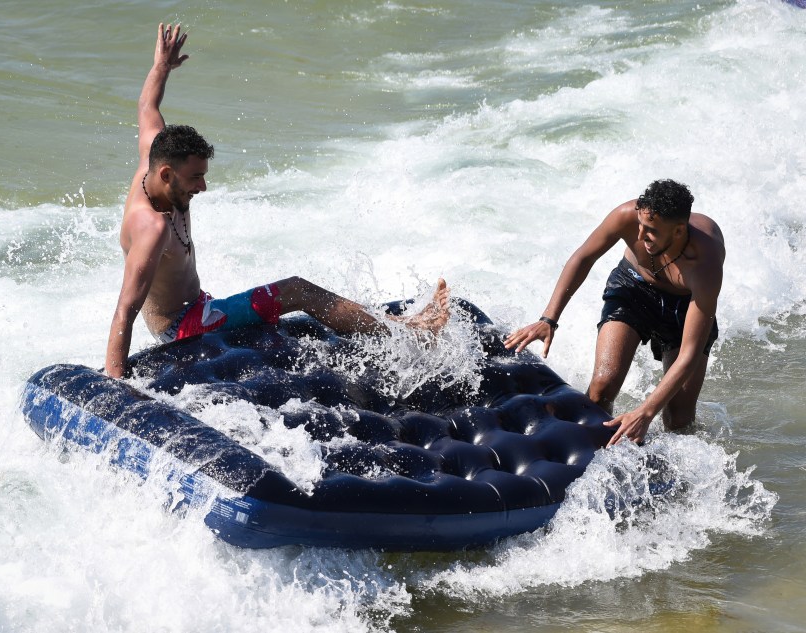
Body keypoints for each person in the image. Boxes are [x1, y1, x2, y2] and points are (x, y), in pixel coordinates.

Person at [105, 23, 450, 379]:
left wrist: (161, 66)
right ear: (166, 174)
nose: (203, 187)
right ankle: (410, 333)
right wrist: (115, 385)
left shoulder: (156, 153)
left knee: (287, 292)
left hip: (200, 305)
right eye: (195, 178)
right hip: (181, 328)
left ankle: (399, 325)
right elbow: (125, 309)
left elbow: (147, 105)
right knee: (297, 289)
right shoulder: (151, 226)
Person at [503, 180, 724, 446]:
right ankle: (592, 452)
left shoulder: (704, 263)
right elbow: (583, 257)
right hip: (633, 289)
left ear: (678, 231)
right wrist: (549, 319)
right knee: (601, 388)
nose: (640, 236)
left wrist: (645, 412)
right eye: (641, 225)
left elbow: (688, 355)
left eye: (651, 231)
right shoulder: (627, 216)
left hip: (684, 305)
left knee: (679, 419)